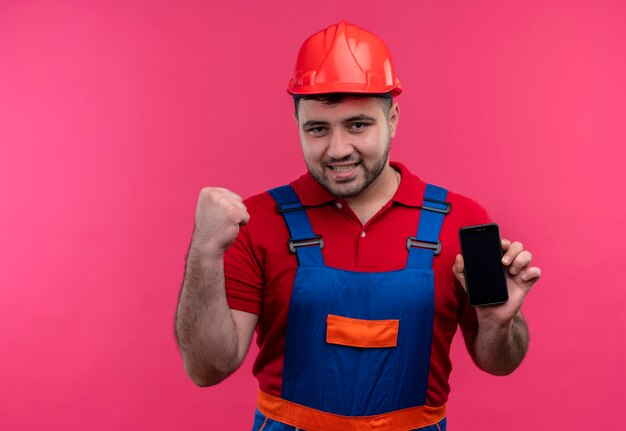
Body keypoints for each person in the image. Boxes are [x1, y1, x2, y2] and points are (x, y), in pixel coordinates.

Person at [175, 21, 541, 431]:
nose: (338, 149)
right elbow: (208, 369)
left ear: (393, 119)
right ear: (297, 124)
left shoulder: (461, 220)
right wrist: (204, 250)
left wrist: (498, 322)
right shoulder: (257, 220)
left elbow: (499, 363)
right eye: (318, 129)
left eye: (358, 125)